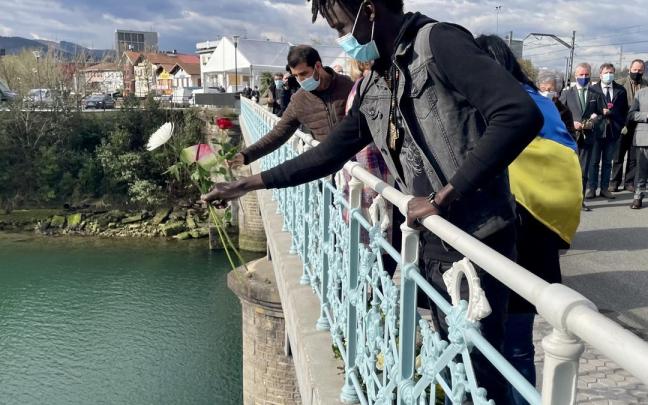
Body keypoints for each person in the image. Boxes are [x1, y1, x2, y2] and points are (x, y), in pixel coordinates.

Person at [203, 0, 543, 401]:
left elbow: (518, 113)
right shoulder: (376, 83)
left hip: (477, 237)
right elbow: (329, 153)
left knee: (480, 375)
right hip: (433, 243)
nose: (341, 38)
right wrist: (248, 184)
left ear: (370, 10)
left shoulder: (439, 43)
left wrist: (444, 194)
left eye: (340, 25)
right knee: (455, 367)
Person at [476, 35, 582, 405]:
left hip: (515, 234)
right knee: (515, 342)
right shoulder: (543, 103)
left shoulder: (500, 106)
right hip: (532, 237)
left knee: (506, 342)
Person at [229, 45, 354, 167]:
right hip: (329, 168)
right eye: (296, 76)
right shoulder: (299, 100)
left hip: (359, 167)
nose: (301, 80)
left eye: (304, 74)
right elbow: (278, 133)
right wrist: (246, 155)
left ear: (318, 66)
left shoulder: (349, 86)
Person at [560, 63, 606, 208]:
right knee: (567, 169)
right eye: (581, 75)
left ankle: (580, 200)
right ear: (575, 76)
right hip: (569, 137)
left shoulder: (596, 94)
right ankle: (565, 199)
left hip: (588, 137)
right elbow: (558, 113)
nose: (584, 77)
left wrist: (593, 121)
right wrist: (571, 123)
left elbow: (600, 114)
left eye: (586, 75)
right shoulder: (567, 93)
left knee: (583, 170)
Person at [590, 63, 628, 199]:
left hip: (613, 131)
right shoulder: (592, 89)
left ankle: (605, 188)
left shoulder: (620, 90)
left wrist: (619, 122)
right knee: (594, 162)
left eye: (611, 72)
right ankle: (592, 188)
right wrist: (600, 113)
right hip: (596, 130)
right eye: (606, 72)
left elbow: (624, 111)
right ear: (600, 74)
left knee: (607, 162)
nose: (608, 75)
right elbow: (589, 109)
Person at [611, 60, 648, 192]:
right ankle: (614, 182)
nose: (637, 73)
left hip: (638, 126)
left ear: (643, 71)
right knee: (618, 155)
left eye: (640, 70)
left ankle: (629, 182)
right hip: (622, 124)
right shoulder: (619, 83)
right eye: (635, 70)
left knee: (633, 157)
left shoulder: (646, 85)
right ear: (629, 70)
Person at [537, 71, 576, 137]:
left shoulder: (564, 112)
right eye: (543, 89)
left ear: (557, 91)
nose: (546, 92)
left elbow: (570, 136)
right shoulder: (533, 107)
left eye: (550, 90)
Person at [628, 86, 648, 209]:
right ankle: (638, 197)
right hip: (644, 138)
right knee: (641, 171)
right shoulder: (641, 93)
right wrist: (646, 115)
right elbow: (631, 114)